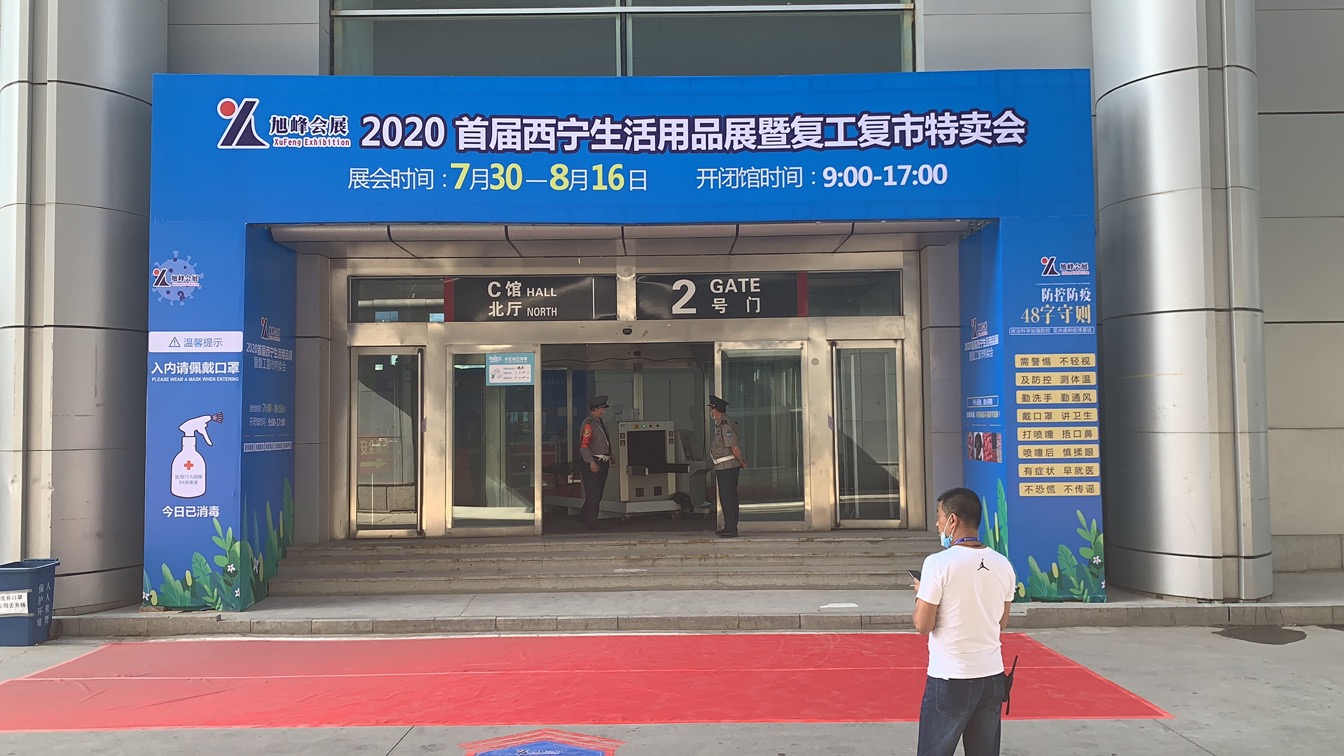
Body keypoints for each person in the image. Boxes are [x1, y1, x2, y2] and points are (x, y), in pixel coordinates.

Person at [912, 487, 1017, 756]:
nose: (937, 524)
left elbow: (923, 625)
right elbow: (1001, 622)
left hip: (951, 677)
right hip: (992, 677)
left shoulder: (937, 563)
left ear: (953, 520)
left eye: (939, 516)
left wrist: (922, 595)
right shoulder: (1003, 564)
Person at [707, 394, 747, 538]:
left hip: (728, 467)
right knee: (725, 497)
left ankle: (731, 527)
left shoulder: (725, 425)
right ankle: (728, 526)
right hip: (723, 467)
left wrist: (741, 461)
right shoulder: (720, 424)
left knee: (729, 497)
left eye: (711, 409)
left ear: (715, 410)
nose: (710, 412)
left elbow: (734, 447)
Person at [577, 395, 611, 531]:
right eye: (602, 409)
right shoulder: (589, 424)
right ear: (595, 409)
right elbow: (584, 445)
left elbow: (604, 441)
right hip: (593, 461)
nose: (604, 411)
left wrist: (609, 454)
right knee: (594, 495)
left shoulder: (599, 422)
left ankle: (583, 516)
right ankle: (591, 522)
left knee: (598, 493)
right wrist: (591, 462)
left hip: (603, 461)